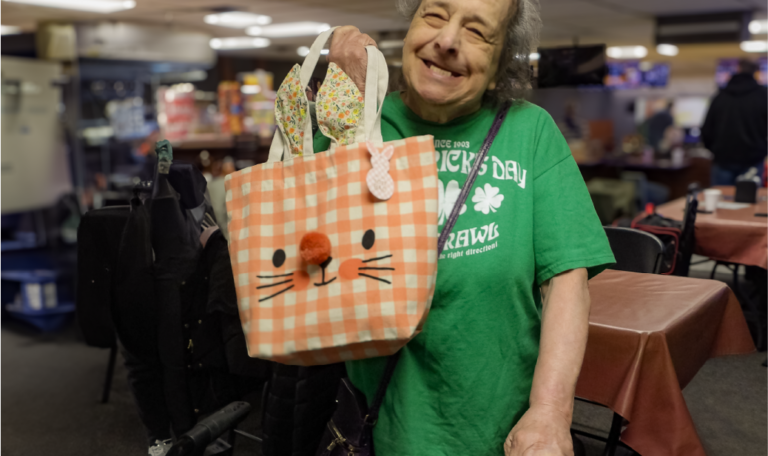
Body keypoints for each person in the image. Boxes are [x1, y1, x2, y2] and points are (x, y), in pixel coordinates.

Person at [313, 0, 615, 455]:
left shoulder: (530, 132)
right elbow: (300, 260)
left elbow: (567, 280)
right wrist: (340, 96)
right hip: (380, 426)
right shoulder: (357, 127)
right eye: (434, 15)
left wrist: (551, 412)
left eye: (478, 33)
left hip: (499, 432)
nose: (447, 40)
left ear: (498, 69)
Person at [702, 58, 768, 186]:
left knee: (720, 203)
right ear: (756, 72)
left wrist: (716, 150)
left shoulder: (720, 97)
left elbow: (706, 129)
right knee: (749, 203)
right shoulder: (764, 96)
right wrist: (763, 150)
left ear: (737, 69)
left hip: (723, 160)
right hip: (753, 161)